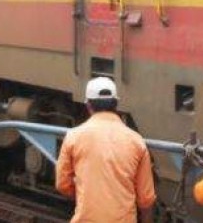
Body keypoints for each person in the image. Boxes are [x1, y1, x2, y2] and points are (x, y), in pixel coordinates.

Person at [55, 76, 156, 223]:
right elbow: (146, 199)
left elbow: (62, 185)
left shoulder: (73, 137)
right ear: (116, 104)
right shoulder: (136, 141)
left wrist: (87, 195)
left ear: (88, 105)